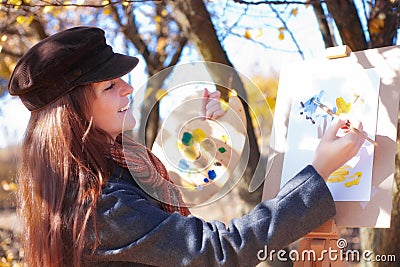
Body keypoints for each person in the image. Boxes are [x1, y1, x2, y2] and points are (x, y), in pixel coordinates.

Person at [7, 26, 365, 267]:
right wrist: (317, 171)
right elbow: (218, 251)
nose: (128, 89)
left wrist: (192, 122)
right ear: (73, 114)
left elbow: (157, 184)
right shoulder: (99, 204)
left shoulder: (106, 171)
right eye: (110, 86)